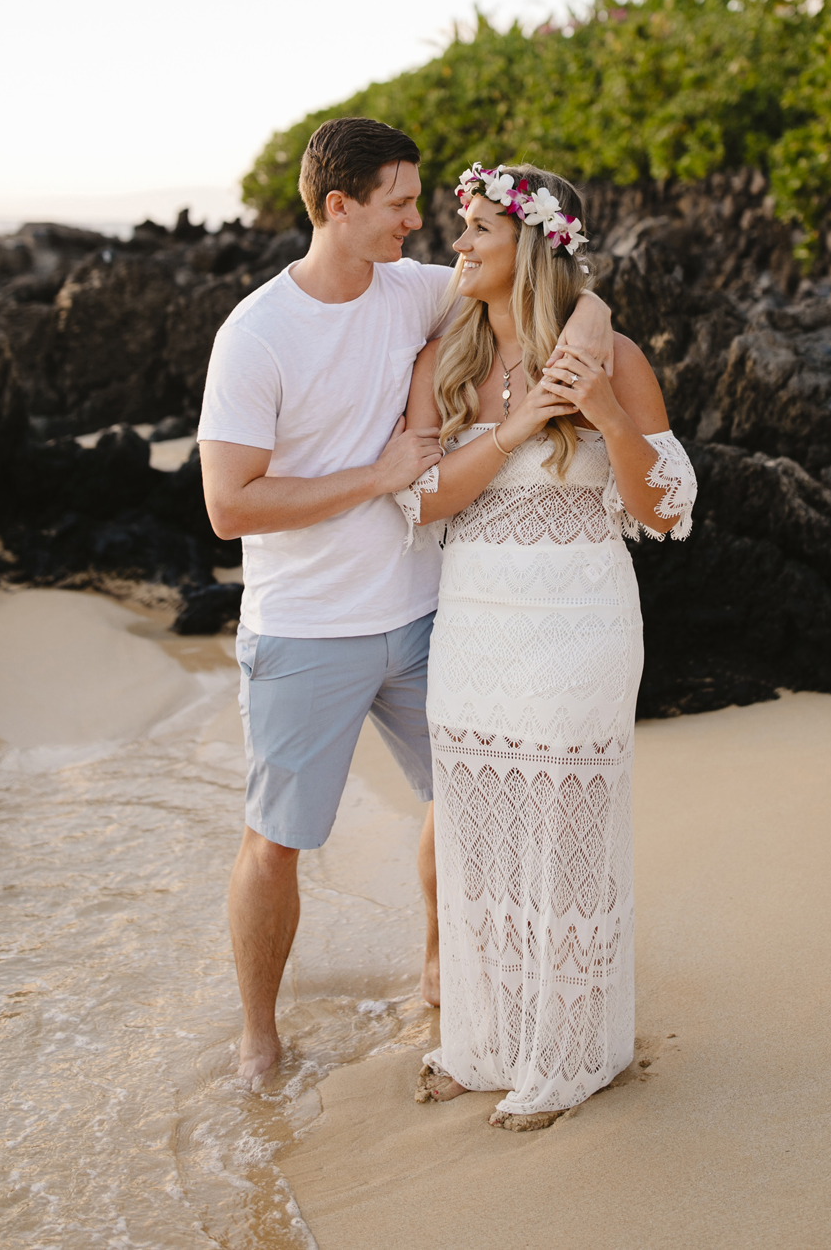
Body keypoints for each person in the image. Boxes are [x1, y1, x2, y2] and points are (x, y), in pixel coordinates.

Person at [197, 117, 615, 1090]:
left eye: (420, 202)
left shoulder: (415, 289)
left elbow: (558, 288)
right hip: (305, 628)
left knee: (464, 801)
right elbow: (227, 505)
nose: (416, 221)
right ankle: (258, 1031)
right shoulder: (255, 333)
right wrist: (373, 472)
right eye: (396, 203)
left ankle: (437, 962)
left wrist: (577, 349)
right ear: (338, 207)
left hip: (430, 616)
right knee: (277, 841)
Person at [399, 162, 694, 1128]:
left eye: (479, 226)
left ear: (531, 240)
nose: (461, 243)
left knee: (564, 838)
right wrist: (519, 419)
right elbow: (423, 498)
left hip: (580, 623)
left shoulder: (615, 357)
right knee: (482, 836)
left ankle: (572, 1055)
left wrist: (606, 414)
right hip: (476, 625)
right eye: (461, 226)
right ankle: (487, 1044)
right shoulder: (443, 360)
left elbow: (666, 512)